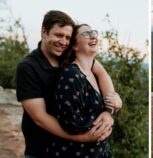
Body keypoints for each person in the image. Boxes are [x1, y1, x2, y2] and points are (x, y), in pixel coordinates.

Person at [16, 10, 121, 158]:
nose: (63, 42)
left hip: (68, 146)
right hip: (40, 147)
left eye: (67, 37)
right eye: (58, 35)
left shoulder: (66, 54)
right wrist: (85, 138)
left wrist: (110, 108)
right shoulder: (28, 67)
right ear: (44, 32)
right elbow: (40, 117)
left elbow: (102, 73)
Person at [45, 24, 114, 157]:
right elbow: (70, 124)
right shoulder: (71, 75)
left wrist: (109, 112)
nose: (93, 36)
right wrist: (105, 127)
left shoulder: (93, 73)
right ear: (75, 46)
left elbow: (108, 103)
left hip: (99, 152)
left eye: (94, 32)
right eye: (86, 34)